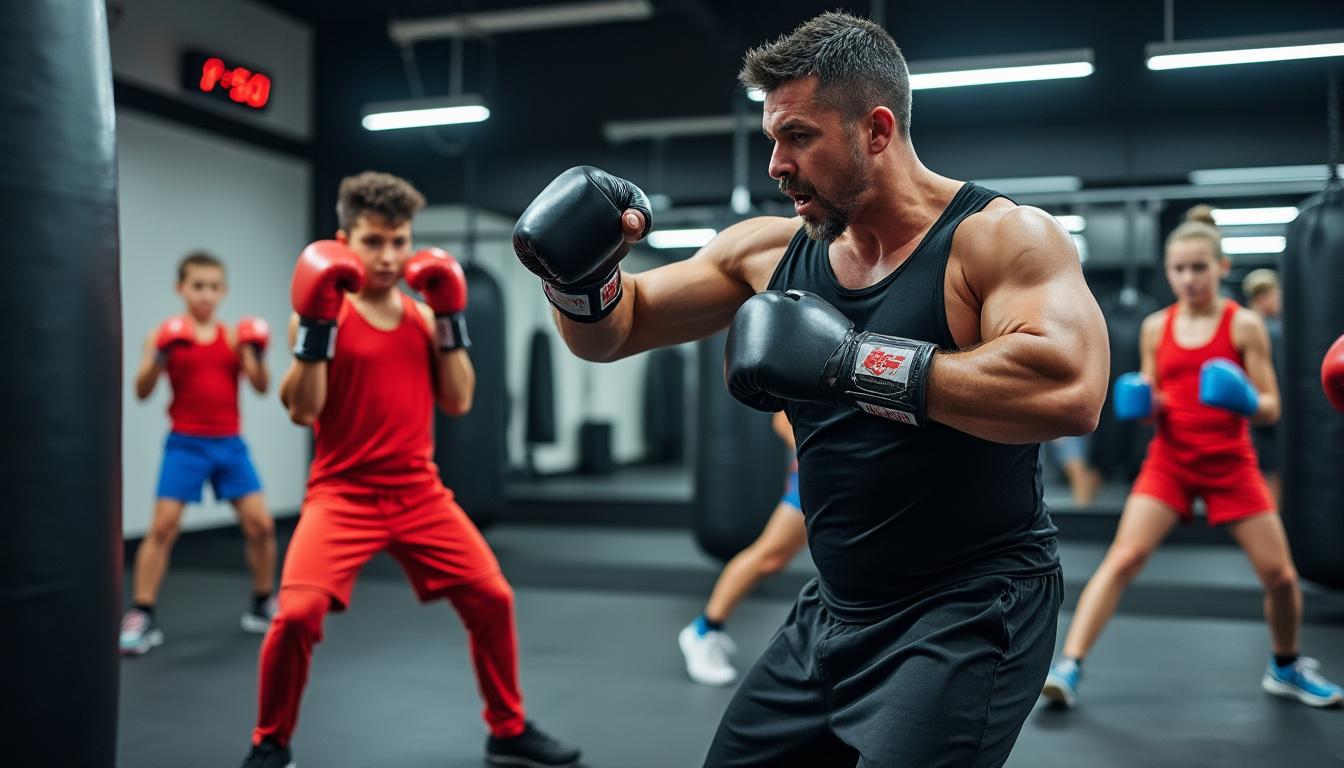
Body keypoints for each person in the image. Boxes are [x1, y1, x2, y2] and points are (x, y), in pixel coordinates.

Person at [511, 12, 1108, 766]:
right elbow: (615, 333)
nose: (775, 165)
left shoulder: (997, 239)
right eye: (771, 139)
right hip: (835, 609)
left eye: (798, 137)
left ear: (877, 131)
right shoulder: (766, 252)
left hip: (968, 610)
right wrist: (581, 279)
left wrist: (853, 360)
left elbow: (1072, 389)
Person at [240, 172, 579, 768]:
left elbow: (460, 400)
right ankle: (271, 744)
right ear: (344, 240)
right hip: (342, 496)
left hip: (419, 493)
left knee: (492, 599)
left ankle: (506, 728)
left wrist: (450, 319)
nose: (391, 256)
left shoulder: (424, 317)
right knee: (295, 615)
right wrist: (317, 326)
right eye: (374, 242)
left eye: (400, 241)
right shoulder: (323, 314)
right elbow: (302, 410)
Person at [1042, 207, 1343, 710]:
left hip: (1231, 464)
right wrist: (1147, 404)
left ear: (1221, 268)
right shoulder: (1157, 328)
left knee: (1282, 577)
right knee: (1123, 558)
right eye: (1179, 269)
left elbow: (1272, 406)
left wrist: (1245, 398)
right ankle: (1068, 666)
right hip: (1171, 463)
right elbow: (1157, 396)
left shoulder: (1244, 325)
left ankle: (1285, 667)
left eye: (1199, 267)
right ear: (1168, 271)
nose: (1188, 278)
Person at [121, 251, 277, 656]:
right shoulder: (163, 334)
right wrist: (160, 355)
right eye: (198, 286)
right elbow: (140, 391)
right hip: (185, 443)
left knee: (260, 525)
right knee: (163, 527)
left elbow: (261, 386)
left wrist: (256, 354)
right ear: (181, 288)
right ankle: (141, 613)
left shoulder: (233, 337)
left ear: (223, 291)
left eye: (213, 287)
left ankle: (262, 603)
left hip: (229, 444)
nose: (206, 295)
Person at [679, 410, 807, 686]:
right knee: (769, 556)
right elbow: (782, 422)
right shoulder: (818, 366)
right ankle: (704, 630)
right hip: (823, 473)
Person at [1242, 268, 1284, 502]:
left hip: (1264, 410)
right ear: (1263, 296)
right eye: (1275, 295)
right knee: (1265, 476)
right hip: (1255, 415)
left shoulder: (1272, 328)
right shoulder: (1256, 329)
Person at [1046, 435, 1101, 508]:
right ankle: (1083, 508)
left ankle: (1084, 508)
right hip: (1071, 431)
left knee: (1091, 471)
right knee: (1076, 468)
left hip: (1093, 431)